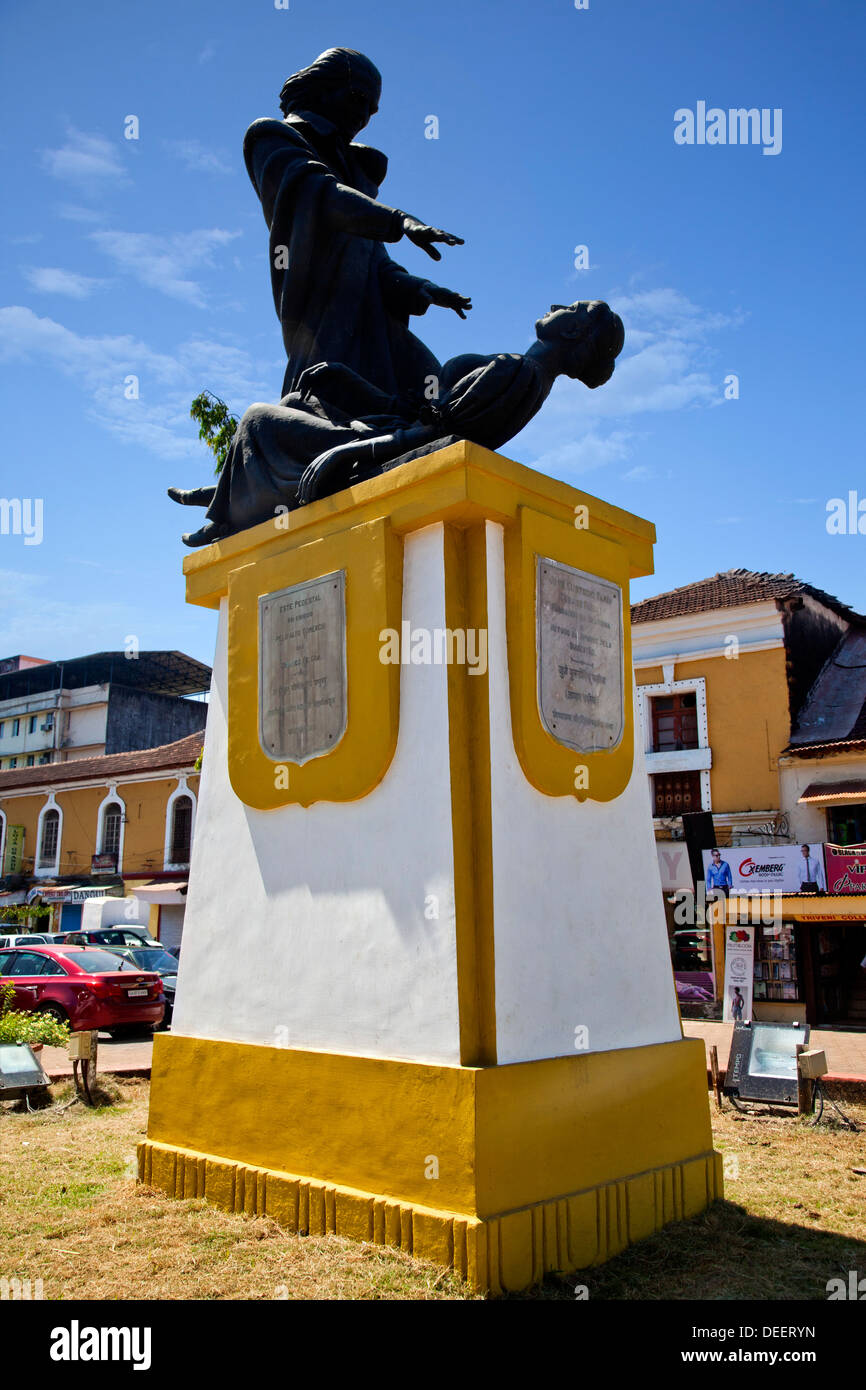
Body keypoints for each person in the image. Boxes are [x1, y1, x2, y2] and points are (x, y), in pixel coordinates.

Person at [170, 300, 624, 545]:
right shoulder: (527, 377)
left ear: (572, 332)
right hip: (391, 425)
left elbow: (435, 435)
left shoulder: (515, 371)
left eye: (574, 308)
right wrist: (348, 382)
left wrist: (343, 452)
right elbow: (420, 413)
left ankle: (222, 518)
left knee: (255, 419)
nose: (557, 304)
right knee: (297, 398)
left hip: (385, 441)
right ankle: (226, 495)